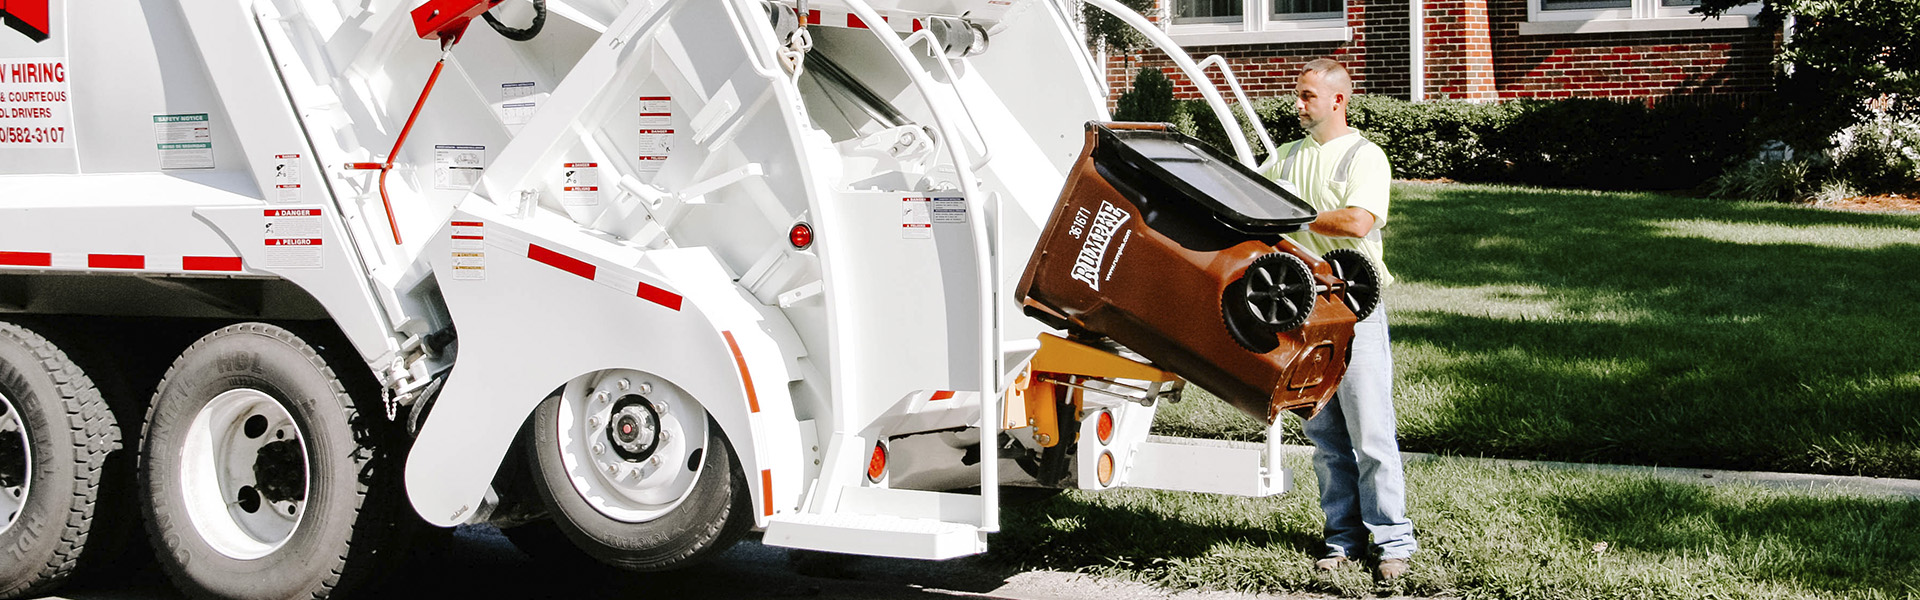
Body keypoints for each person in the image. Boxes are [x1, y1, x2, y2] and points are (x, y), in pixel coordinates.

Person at [1264, 58, 1417, 581]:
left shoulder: (1364, 156)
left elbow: (1357, 220)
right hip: (1302, 310)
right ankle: (1343, 539)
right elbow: (1250, 211)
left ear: (1337, 99)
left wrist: (1291, 214)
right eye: (1297, 94)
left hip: (1356, 308)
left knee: (1371, 432)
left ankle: (1393, 541)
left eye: (1307, 95)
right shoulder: (1283, 158)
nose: (1298, 104)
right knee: (1325, 435)